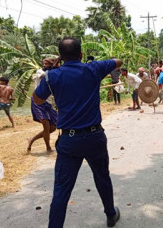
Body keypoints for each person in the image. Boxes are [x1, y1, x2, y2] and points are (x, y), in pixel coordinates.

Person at [33, 38, 122, 228]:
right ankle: (111, 215)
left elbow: (38, 100)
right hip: (94, 136)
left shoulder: (52, 76)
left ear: (60, 57)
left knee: (61, 191)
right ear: (81, 54)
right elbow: (118, 62)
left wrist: (52, 70)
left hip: (69, 140)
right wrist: (94, 64)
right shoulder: (93, 69)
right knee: (102, 178)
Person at [27, 58, 59, 153]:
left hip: (48, 102)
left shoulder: (54, 72)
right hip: (38, 100)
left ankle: (32, 140)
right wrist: (55, 68)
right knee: (46, 125)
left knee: (53, 127)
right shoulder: (40, 71)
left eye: (47, 63)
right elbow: (44, 77)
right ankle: (48, 147)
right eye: (44, 63)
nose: (44, 65)